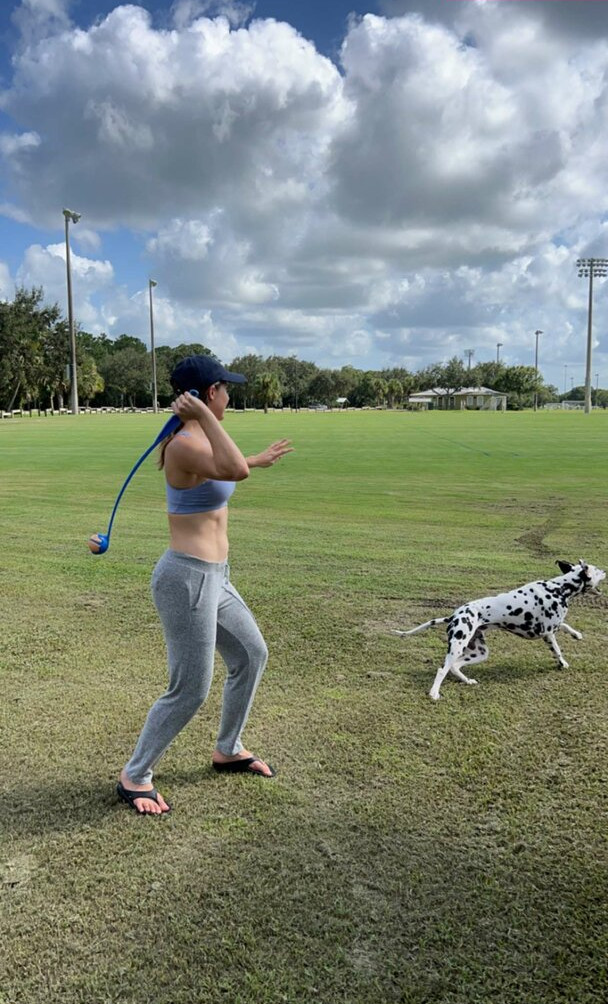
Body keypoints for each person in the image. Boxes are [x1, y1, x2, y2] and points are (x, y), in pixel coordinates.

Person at [117, 354, 292, 815]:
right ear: (209, 393)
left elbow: (230, 465)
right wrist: (207, 422)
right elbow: (234, 470)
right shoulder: (183, 444)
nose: (229, 398)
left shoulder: (199, 439)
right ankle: (135, 776)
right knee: (190, 688)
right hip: (186, 578)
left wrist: (256, 457)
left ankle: (228, 749)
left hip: (216, 576)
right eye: (225, 390)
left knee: (251, 655)